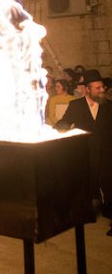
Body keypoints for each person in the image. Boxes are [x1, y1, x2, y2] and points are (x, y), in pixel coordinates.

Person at [55, 69, 112, 237]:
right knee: (85, 186)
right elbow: (65, 122)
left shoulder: (109, 106)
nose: (101, 90)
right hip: (85, 153)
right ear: (87, 89)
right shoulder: (76, 105)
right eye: (97, 88)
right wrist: (53, 130)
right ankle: (85, 215)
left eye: (102, 87)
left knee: (109, 185)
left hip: (107, 153)